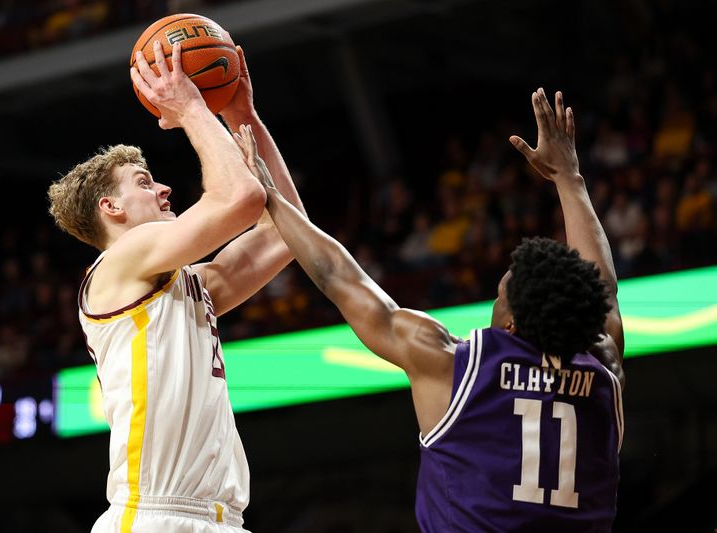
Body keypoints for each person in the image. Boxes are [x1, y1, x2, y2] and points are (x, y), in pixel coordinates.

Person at [240, 88, 625, 531]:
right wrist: (570, 179)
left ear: (512, 322)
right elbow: (604, 293)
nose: (495, 297)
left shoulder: (453, 364)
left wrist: (270, 196)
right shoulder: (603, 370)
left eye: (501, 292)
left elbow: (340, 280)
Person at [47, 40, 304, 533]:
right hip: (152, 517)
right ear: (111, 209)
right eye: (144, 182)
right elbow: (242, 199)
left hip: (220, 517)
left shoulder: (188, 283)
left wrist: (242, 115)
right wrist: (189, 107)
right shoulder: (120, 261)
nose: (164, 188)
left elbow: (285, 232)